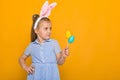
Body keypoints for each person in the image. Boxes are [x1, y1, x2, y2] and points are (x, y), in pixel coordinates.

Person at [19, 14, 69, 80]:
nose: (49, 31)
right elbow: (21, 59)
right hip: (36, 76)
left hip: (51, 75)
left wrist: (63, 56)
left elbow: (60, 62)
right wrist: (26, 67)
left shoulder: (54, 43)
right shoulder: (32, 46)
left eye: (50, 28)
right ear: (36, 30)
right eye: (46, 28)